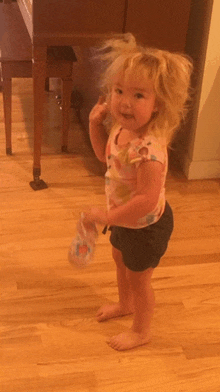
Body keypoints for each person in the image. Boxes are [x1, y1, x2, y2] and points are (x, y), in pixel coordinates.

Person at [84, 33, 193, 351]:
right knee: (119, 258)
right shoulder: (121, 129)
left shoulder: (149, 152)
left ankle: (142, 331)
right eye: (119, 91)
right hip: (124, 219)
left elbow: (145, 199)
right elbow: (104, 158)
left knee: (139, 279)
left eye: (138, 95)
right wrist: (94, 125)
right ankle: (124, 304)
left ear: (159, 102)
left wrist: (106, 216)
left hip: (145, 225)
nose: (124, 102)